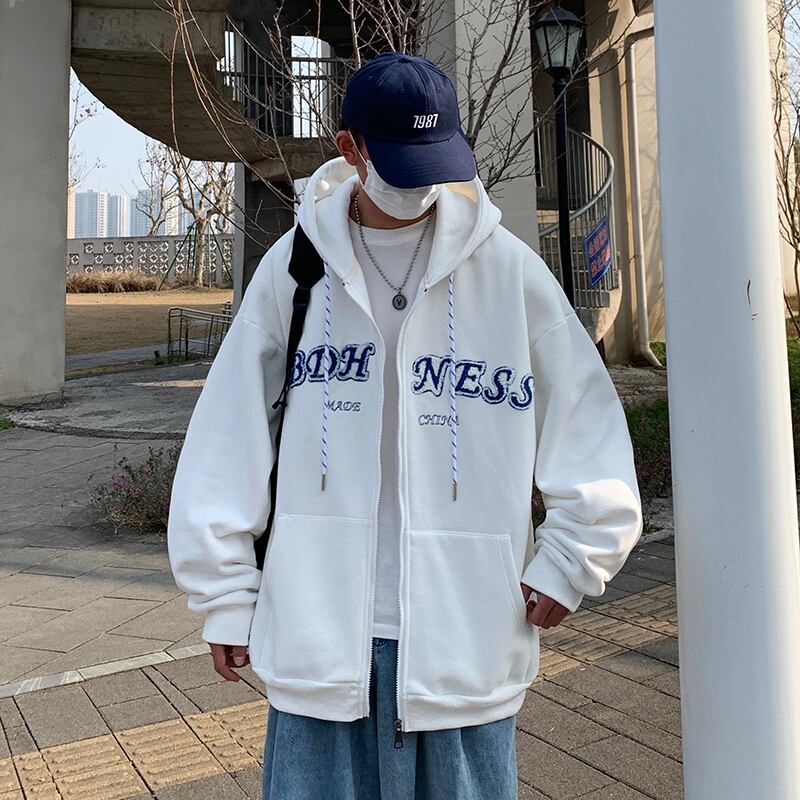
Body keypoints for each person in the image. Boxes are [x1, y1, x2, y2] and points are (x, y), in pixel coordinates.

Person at [167, 51, 643, 799]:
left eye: (436, 162)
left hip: (467, 637)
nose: (421, 183)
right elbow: (230, 432)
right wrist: (225, 592)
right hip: (318, 635)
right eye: (400, 163)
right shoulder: (294, 272)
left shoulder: (508, 270)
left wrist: (573, 558)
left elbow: (586, 418)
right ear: (349, 147)